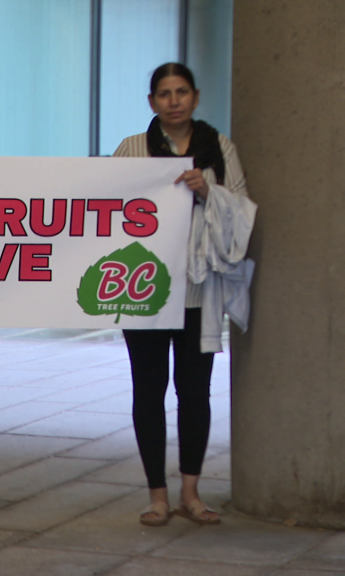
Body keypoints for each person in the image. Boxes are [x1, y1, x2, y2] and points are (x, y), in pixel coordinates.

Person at [113, 62, 250, 527]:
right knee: (148, 393)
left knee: (195, 393)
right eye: (164, 93)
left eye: (182, 92)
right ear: (151, 101)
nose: (174, 101)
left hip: (198, 290)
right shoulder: (132, 149)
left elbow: (242, 210)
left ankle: (191, 491)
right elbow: (108, 208)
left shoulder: (219, 147)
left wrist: (207, 188)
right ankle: (157, 495)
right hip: (146, 290)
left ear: (195, 96)